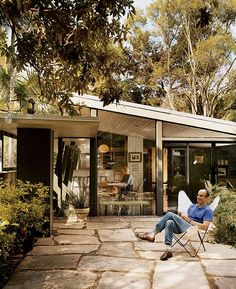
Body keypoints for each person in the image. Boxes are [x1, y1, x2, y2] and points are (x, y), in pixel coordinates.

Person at [137, 188, 213, 261]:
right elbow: (185, 219)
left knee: (170, 214)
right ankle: (168, 250)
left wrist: (188, 220)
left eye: (201, 196)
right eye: (198, 195)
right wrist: (181, 216)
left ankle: (152, 234)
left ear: (207, 198)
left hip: (192, 229)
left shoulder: (208, 210)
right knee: (169, 222)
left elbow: (205, 227)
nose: (198, 197)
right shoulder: (192, 206)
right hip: (183, 227)